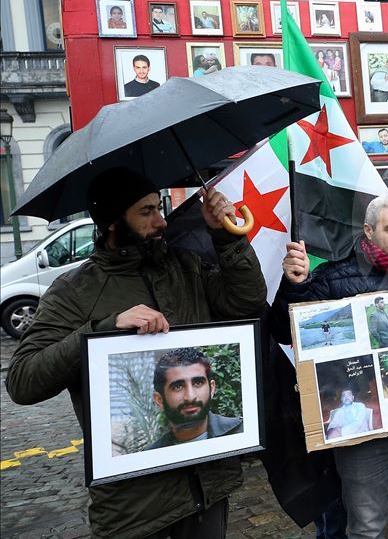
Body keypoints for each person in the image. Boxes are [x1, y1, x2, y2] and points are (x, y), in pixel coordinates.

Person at [6, 167, 265, 538]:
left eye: (159, 207)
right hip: (135, 507)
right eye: (146, 212)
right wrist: (102, 330)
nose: (161, 220)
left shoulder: (184, 266)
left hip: (205, 488)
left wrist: (225, 236)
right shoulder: (74, 291)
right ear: (113, 223)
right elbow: (22, 381)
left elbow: (246, 303)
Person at [274, 192, 388, 537]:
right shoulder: (333, 277)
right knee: (367, 526)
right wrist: (295, 287)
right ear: (369, 231)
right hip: (363, 432)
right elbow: (285, 329)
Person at [144, 348, 243, 449]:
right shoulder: (150, 456)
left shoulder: (244, 433)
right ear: (159, 400)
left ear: (212, 388)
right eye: (178, 387)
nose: (190, 397)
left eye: (198, 383)